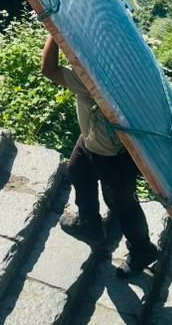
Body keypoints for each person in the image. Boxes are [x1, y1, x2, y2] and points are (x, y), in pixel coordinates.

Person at [41, 34, 158, 277]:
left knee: (122, 204)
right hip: (93, 140)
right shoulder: (126, 70)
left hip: (113, 154)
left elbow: (49, 70)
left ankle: (143, 250)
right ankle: (89, 224)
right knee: (77, 170)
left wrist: (53, 32)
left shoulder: (93, 79)